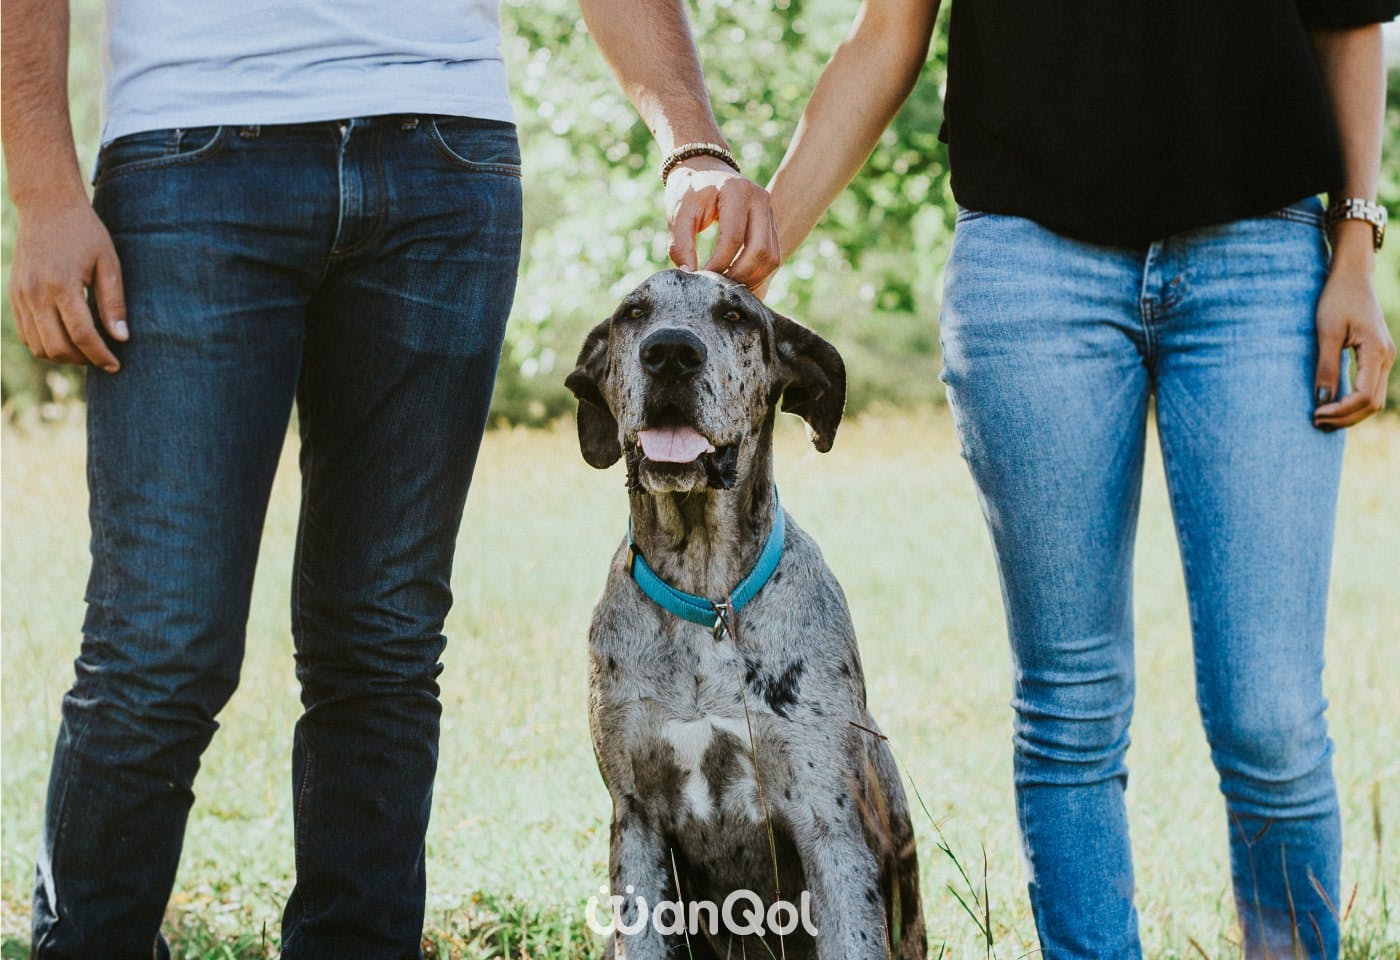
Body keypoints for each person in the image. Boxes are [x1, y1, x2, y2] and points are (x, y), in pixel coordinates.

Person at [1, 0, 777, 954]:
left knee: (382, 639)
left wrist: (692, 145)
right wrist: (42, 188)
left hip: (443, 159)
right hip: (188, 159)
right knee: (159, 645)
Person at [750, 1, 1397, 957]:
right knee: (1070, 705)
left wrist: (1356, 249)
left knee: (1270, 715)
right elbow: (888, 32)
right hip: (1031, 263)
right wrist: (766, 236)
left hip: (1260, 259)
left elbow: (1348, 18)